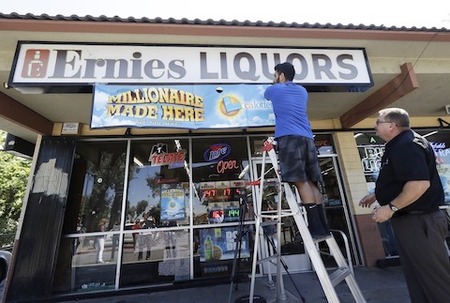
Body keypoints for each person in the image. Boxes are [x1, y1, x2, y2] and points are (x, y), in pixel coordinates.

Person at [359, 108, 450, 303]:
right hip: (411, 221)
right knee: (418, 278)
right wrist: (377, 194)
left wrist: (390, 207)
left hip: (419, 221)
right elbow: (404, 179)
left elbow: (419, 183)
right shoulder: (399, 145)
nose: (375, 125)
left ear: (392, 125)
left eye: (378, 121)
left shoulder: (407, 145)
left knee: (436, 281)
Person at [264, 62, 330, 237]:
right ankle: (323, 227)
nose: (274, 77)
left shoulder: (274, 89)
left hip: (289, 137)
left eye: (275, 74)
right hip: (307, 138)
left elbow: (267, 93)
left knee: (300, 181)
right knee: (311, 181)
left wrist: (275, 81)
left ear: (281, 75)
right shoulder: (302, 91)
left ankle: (315, 227)